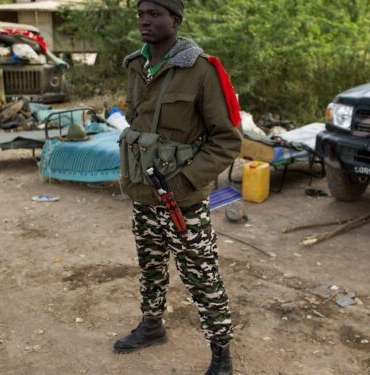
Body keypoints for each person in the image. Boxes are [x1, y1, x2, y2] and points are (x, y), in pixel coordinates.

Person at [113, 1, 242, 374]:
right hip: (143, 193)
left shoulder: (201, 71)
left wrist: (185, 179)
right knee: (150, 265)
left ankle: (221, 354)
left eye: (154, 13)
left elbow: (227, 140)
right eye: (140, 13)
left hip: (181, 200)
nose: (144, 21)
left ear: (175, 19)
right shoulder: (137, 67)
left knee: (201, 275)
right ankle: (152, 325)